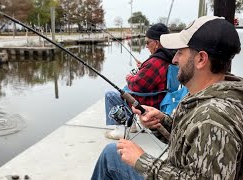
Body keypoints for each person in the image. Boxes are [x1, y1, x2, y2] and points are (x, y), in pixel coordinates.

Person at [92, 15, 243, 179]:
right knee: (112, 153)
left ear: (201, 59)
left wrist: (142, 161)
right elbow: (192, 141)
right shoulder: (203, 96)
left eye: (180, 52)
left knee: (110, 157)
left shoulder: (213, 119)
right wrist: (162, 121)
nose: (174, 59)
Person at [105, 23, 175, 140]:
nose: (146, 46)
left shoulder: (155, 62)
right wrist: (143, 67)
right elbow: (152, 74)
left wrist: (129, 77)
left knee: (111, 95)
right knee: (125, 90)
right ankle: (131, 125)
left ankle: (119, 130)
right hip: (161, 96)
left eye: (147, 42)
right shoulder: (169, 57)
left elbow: (136, 85)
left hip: (149, 101)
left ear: (156, 43)